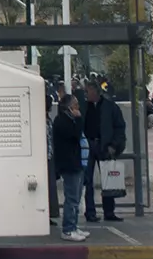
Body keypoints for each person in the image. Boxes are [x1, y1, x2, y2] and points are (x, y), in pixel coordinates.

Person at [84, 77, 129, 222]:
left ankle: (109, 211)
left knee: (108, 179)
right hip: (88, 145)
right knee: (88, 180)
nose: (87, 95)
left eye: (89, 92)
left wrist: (114, 145)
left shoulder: (110, 106)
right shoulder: (84, 106)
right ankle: (90, 212)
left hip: (105, 145)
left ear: (96, 92)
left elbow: (119, 127)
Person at [51, 92, 88, 241]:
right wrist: (78, 119)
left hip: (77, 163)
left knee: (77, 197)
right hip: (69, 164)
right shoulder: (62, 122)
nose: (78, 108)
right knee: (71, 198)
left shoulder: (69, 120)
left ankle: (73, 226)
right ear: (68, 108)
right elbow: (75, 134)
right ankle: (67, 229)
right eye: (75, 105)